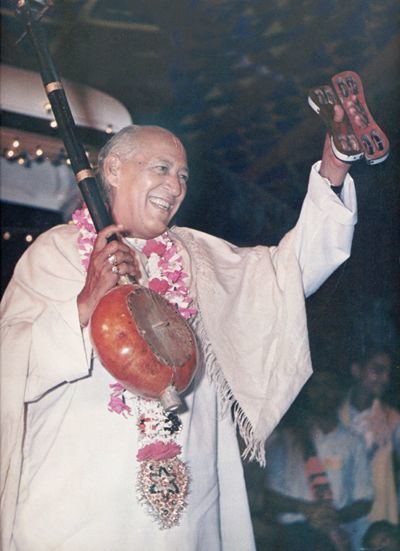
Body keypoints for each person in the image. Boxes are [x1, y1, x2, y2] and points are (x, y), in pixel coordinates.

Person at [1, 122, 357, 550]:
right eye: (162, 168)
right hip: (77, 515)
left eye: (183, 176)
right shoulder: (56, 252)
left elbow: (289, 272)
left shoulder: (198, 259)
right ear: (112, 169)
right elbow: (10, 362)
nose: (175, 185)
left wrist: (333, 169)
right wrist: (85, 302)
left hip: (186, 520)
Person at [263, 370, 373, 550]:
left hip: (335, 534)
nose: (322, 392)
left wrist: (335, 517)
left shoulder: (354, 443)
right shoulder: (285, 439)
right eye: (315, 386)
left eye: (328, 385)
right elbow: (269, 496)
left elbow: (364, 499)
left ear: (339, 391)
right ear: (307, 391)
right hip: (293, 535)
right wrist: (305, 509)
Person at [339, 346, 400, 525]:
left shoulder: (392, 419)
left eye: (388, 373)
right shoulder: (332, 413)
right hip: (339, 517)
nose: (385, 379)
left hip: (378, 519)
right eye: (378, 370)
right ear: (356, 370)